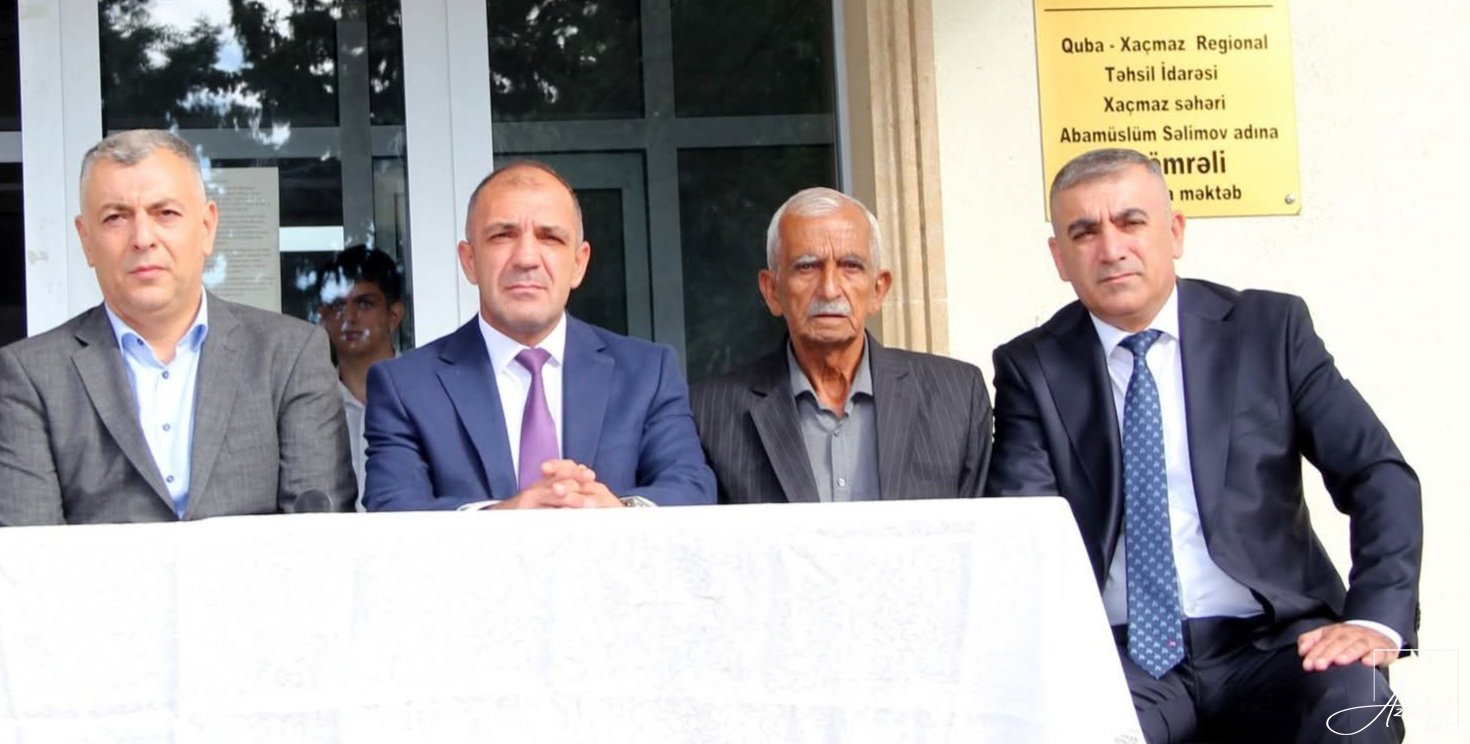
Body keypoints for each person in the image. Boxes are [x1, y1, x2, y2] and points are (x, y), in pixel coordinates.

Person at [987, 148, 1421, 743]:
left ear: (1175, 232)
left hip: (1273, 641)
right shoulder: (1032, 367)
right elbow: (1026, 532)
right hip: (1121, 657)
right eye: (1084, 233)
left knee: (1359, 708)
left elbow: (1378, 474)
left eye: (1131, 222)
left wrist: (1375, 619)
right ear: (1060, 258)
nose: (1111, 249)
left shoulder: (1269, 329)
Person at [0, 129, 355, 524]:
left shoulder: (289, 355)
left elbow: (318, 538)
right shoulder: (30, 375)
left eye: (165, 213)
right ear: (86, 240)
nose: (142, 238)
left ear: (206, 227)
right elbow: (30, 549)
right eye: (116, 217)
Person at [362, 161, 715, 510]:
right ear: (469, 261)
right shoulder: (404, 387)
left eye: (550, 237)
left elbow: (692, 487)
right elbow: (392, 506)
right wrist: (504, 518)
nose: (526, 258)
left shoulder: (648, 372)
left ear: (578, 263)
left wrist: (618, 514)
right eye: (503, 235)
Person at [690, 187, 991, 503]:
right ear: (772, 291)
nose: (830, 289)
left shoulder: (957, 398)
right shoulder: (710, 412)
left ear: (878, 290)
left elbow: (982, 530)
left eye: (851, 266)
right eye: (807, 266)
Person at [314, 245, 405, 507]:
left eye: (364, 304)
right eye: (337, 305)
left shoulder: (425, 394)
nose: (349, 317)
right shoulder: (308, 402)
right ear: (322, 317)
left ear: (393, 316)